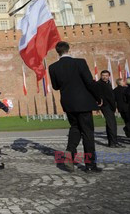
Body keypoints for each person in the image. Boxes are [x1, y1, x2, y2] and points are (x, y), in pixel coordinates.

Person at [48, 41, 102, 173]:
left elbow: (55, 86)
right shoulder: (80, 62)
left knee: (75, 127)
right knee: (88, 133)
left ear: (58, 52)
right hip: (83, 102)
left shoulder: (53, 67)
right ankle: (90, 165)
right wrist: (98, 98)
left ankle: (70, 152)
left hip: (68, 102)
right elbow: (89, 82)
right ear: (68, 49)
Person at [97, 70, 124, 148]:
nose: (105, 77)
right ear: (101, 76)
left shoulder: (108, 83)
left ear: (109, 76)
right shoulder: (100, 84)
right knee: (112, 124)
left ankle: (112, 142)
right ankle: (113, 143)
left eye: (106, 75)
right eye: (103, 75)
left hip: (109, 106)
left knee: (111, 124)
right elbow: (106, 97)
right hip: (106, 106)